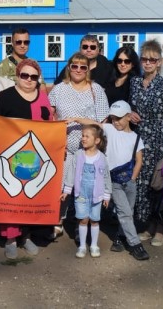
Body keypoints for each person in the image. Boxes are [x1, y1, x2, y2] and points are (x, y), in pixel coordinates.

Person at [0, 58, 54, 258]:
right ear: (18, 76)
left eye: (33, 77)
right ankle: (10, 238)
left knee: (30, 198)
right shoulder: (5, 96)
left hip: (35, 157)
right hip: (11, 156)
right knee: (11, 197)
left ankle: (26, 236)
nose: (29, 79)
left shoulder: (42, 97)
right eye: (25, 75)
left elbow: (49, 124)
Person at [49, 52, 110, 237]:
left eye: (83, 67)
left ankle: (80, 224)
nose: (78, 70)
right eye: (74, 66)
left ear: (87, 70)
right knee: (63, 186)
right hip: (65, 149)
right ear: (69, 67)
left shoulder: (96, 89)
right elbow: (50, 115)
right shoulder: (59, 89)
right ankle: (58, 221)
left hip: (88, 150)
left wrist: (80, 120)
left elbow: (103, 122)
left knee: (85, 189)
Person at [130, 40, 163, 247]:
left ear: (159, 62)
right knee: (143, 184)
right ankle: (149, 224)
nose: (148, 63)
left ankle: (161, 228)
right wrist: (130, 114)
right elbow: (131, 107)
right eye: (144, 59)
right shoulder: (134, 82)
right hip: (140, 140)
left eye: (152, 59)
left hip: (160, 139)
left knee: (160, 183)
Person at [102, 101, 150, 261]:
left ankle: (119, 238)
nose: (115, 122)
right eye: (112, 118)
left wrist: (133, 179)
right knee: (125, 213)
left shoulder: (136, 138)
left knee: (128, 211)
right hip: (114, 182)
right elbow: (92, 124)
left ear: (129, 117)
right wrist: (75, 118)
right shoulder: (109, 129)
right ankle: (136, 245)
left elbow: (139, 161)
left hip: (130, 182)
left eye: (119, 118)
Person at [60, 124, 111, 259]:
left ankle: (94, 245)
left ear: (97, 140)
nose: (83, 138)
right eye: (82, 136)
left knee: (94, 220)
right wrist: (67, 190)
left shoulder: (102, 157)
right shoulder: (78, 155)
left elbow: (106, 176)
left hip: (97, 195)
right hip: (81, 194)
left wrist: (107, 195)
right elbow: (71, 173)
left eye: (87, 136)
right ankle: (82, 246)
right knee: (83, 220)